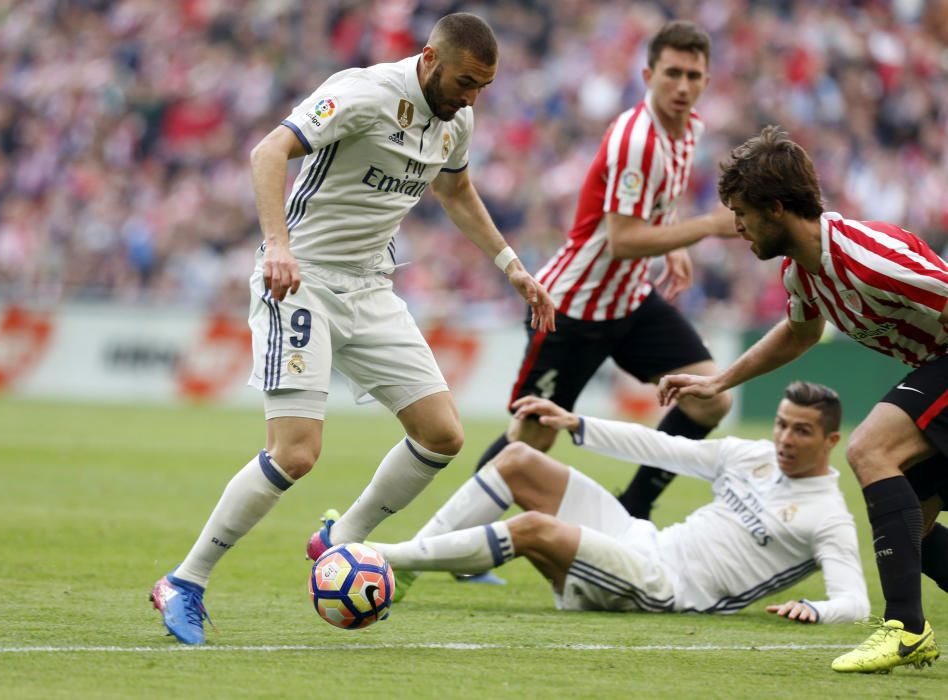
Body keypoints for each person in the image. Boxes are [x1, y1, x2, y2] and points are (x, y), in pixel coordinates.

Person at [149, 12, 555, 645]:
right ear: (428, 60)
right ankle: (186, 580)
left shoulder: (458, 120)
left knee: (442, 435)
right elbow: (267, 151)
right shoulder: (364, 93)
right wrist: (277, 246)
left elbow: (458, 192)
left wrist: (512, 267)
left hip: (370, 286)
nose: (474, 97)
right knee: (297, 453)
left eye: (484, 86)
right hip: (300, 278)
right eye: (467, 81)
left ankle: (340, 538)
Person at [658, 126, 947, 673]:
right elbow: (799, 333)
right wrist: (717, 382)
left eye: (742, 212)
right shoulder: (803, 272)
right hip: (937, 371)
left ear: (775, 207)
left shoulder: (869, 259)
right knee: (916, 524)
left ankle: (906, 631)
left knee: (869, 450)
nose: (737, 227)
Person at [473, 20, 735, 521]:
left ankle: (634, 507)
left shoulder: (689, 128)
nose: (683, 86)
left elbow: (656, 205)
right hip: (574, 305)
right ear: (647, 73)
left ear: (706, 79)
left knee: (708, 396)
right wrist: (703, 228)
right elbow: (623, 239)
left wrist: (674, 234)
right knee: (533, 436)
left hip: (631, 299)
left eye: (694, 76)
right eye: (672, 73)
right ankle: (456, 537)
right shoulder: (637, 139)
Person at [368, 382, 869, 626]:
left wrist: (817, 610)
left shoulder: (828, 516)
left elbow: (856, 603)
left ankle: (374, 558)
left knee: (534, 527)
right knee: (519, 458)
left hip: (666, 589)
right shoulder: (751, 455)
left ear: (830, 441)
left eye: (801, 431)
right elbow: (664, 448)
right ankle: (413, 561)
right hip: (641, 541)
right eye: (782, 423)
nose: (784, 438)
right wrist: (578, 424)